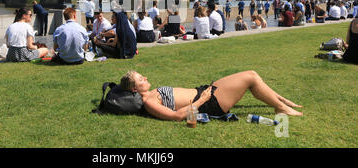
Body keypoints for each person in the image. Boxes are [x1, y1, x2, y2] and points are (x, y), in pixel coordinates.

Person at [119, 70, 303, 121]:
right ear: (135, 89)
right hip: (209, 103)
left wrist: (202, 94)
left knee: (253, 77)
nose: (146, 77)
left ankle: (281, 101)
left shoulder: (150, 93)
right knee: (251, 77)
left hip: (204, 92)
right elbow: (177, 116)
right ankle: (280, 108)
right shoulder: (149, 102)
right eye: (141, 79)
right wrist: (203, 100)